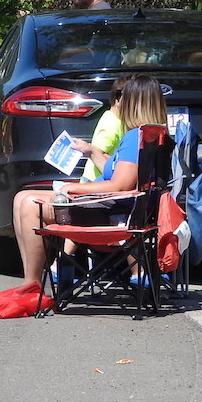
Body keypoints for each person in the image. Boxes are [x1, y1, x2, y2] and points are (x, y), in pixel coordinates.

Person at [11, 73, 168, 287]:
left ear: (133, 102)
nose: (119, 103)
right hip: (124, 207)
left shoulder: (134, 138)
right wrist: (92, 152)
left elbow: (119, 185)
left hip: (114, 213)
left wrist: (73, 188)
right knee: (21, 197)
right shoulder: (150, 134)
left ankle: (32, 283)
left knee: (28, 203)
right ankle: (32, 281)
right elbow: (119, 174)